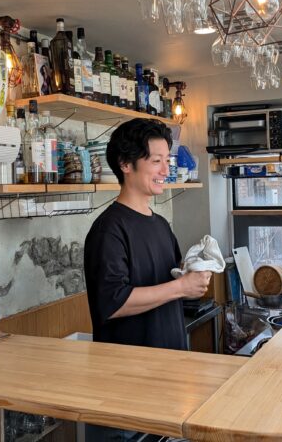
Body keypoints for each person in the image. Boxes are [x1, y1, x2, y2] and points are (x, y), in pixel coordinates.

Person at [83, 118, 211, 440]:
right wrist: (180, 286)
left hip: (169, 374)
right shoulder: (108, 229)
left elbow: (168, 282)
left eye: (167, 160)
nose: (165, 169)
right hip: (128, 387)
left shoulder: (160, 224)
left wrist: (192, 278)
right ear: (126, 164)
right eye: (156, 161)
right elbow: (112, 303)